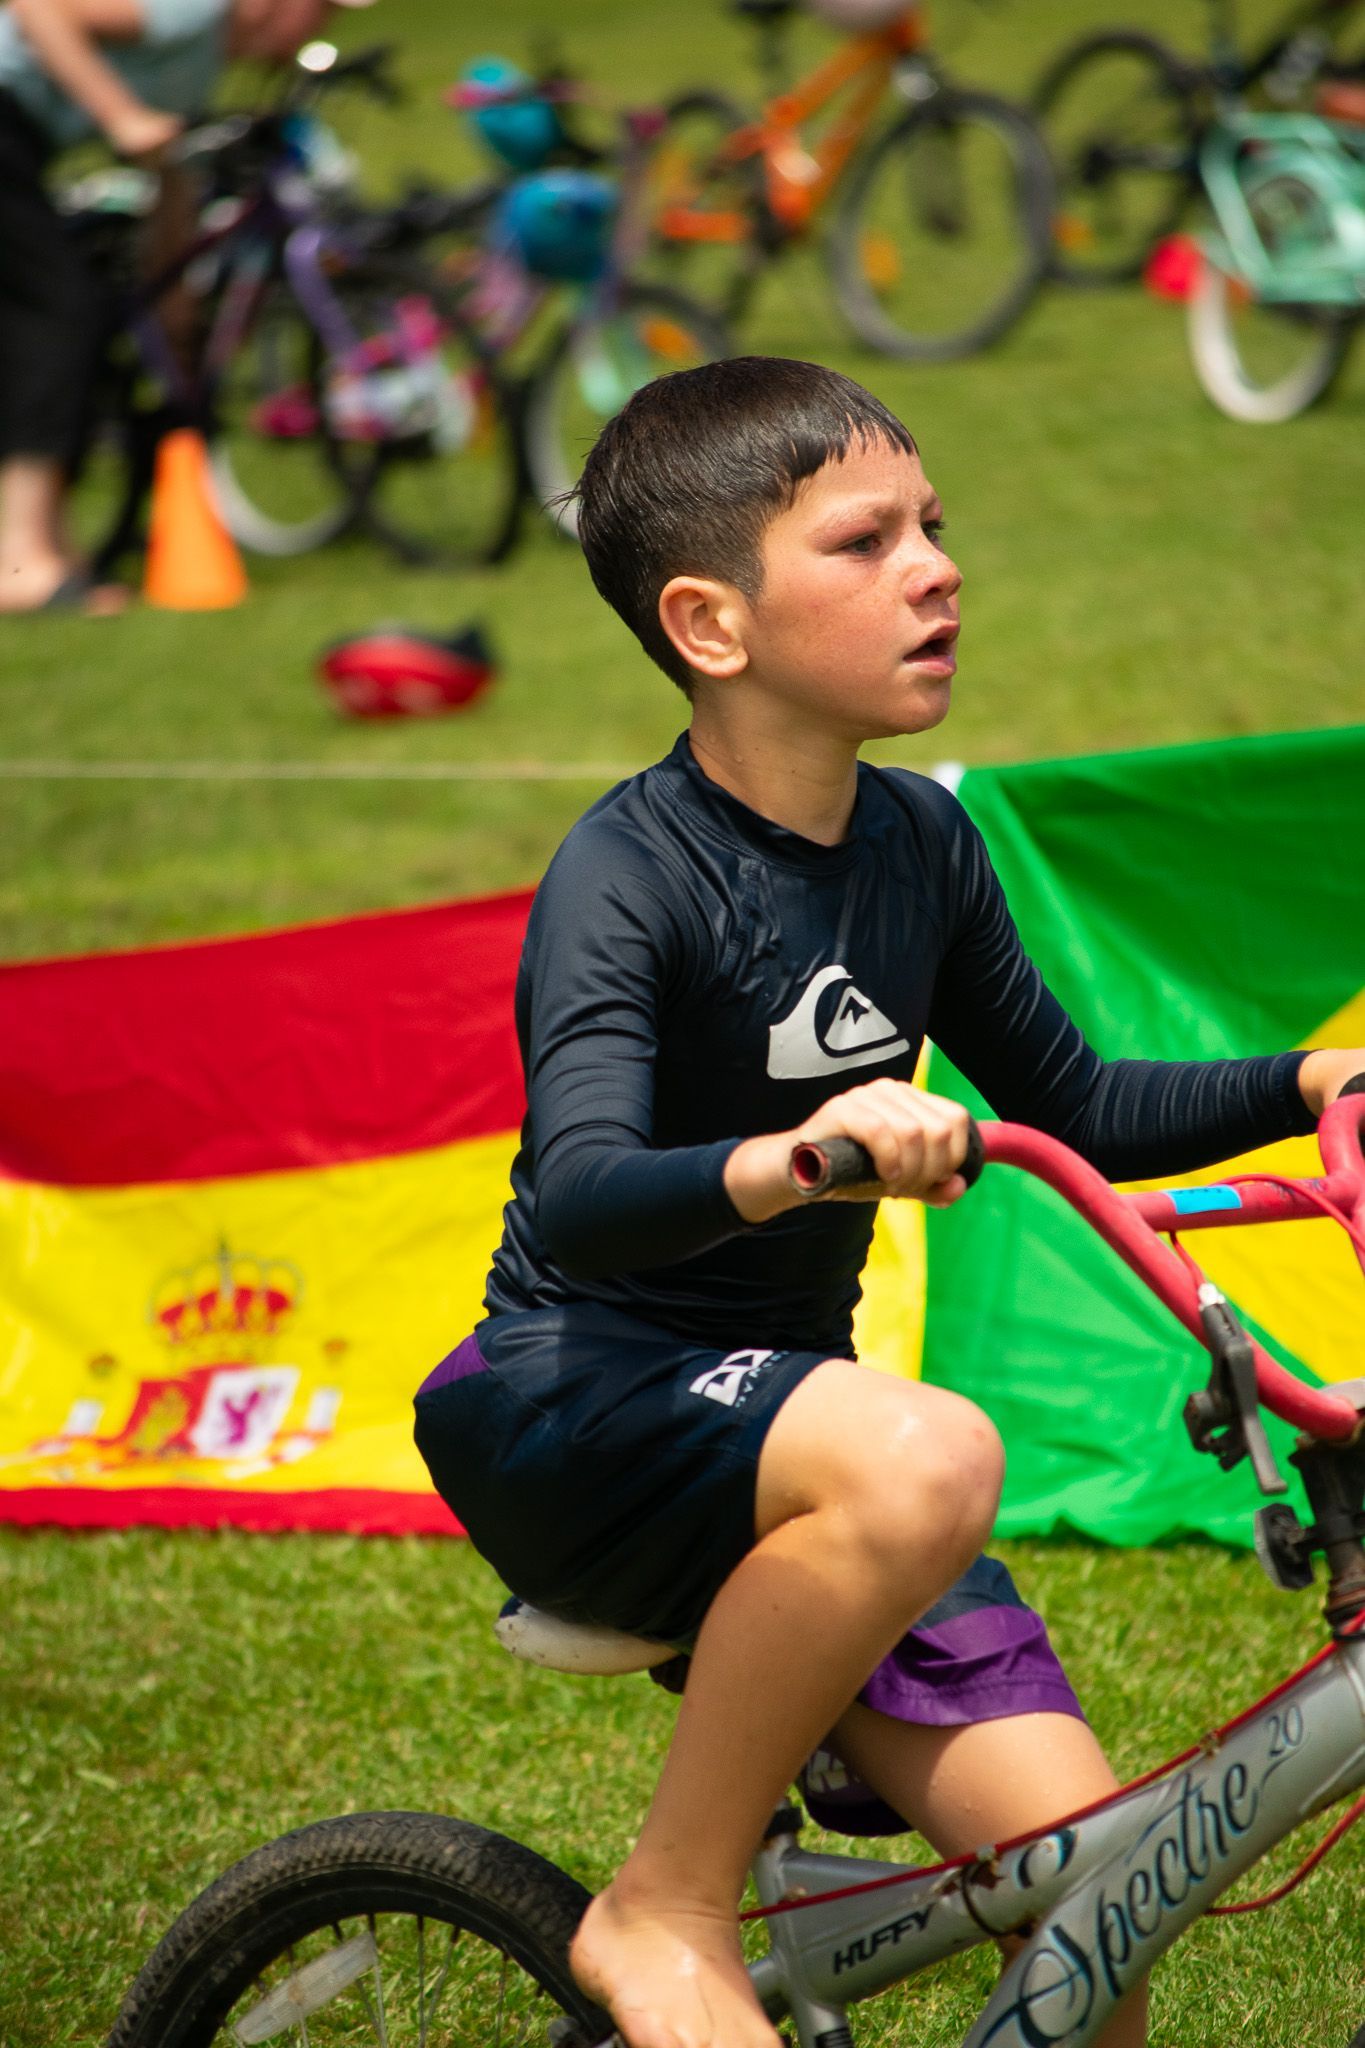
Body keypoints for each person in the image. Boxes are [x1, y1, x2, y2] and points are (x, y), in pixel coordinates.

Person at [412, 355, 1365, 2048]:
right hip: (574, 1401)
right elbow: (587, 1190)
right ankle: (667, 1904)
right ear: (710, 625)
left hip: (819, 1444)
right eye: (865, 542)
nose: (937, 568)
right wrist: (810, 1151)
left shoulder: (920, 842)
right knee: (931, 1451)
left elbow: (1081, 1109)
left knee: (1101, 1902)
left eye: (933, 525)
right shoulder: (627, 870)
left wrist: (1315, 1080)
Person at [0, 0, 359, 615]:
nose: (317, 30)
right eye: (317, 11)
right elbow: (38, 6)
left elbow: (174, 183)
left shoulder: (201, 66)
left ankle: (47, 548)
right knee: (57, 314)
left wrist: (173, 304)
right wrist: (121, 116)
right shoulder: (193, 9)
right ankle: (18, 559)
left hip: (21, 148)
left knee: (75, 315)